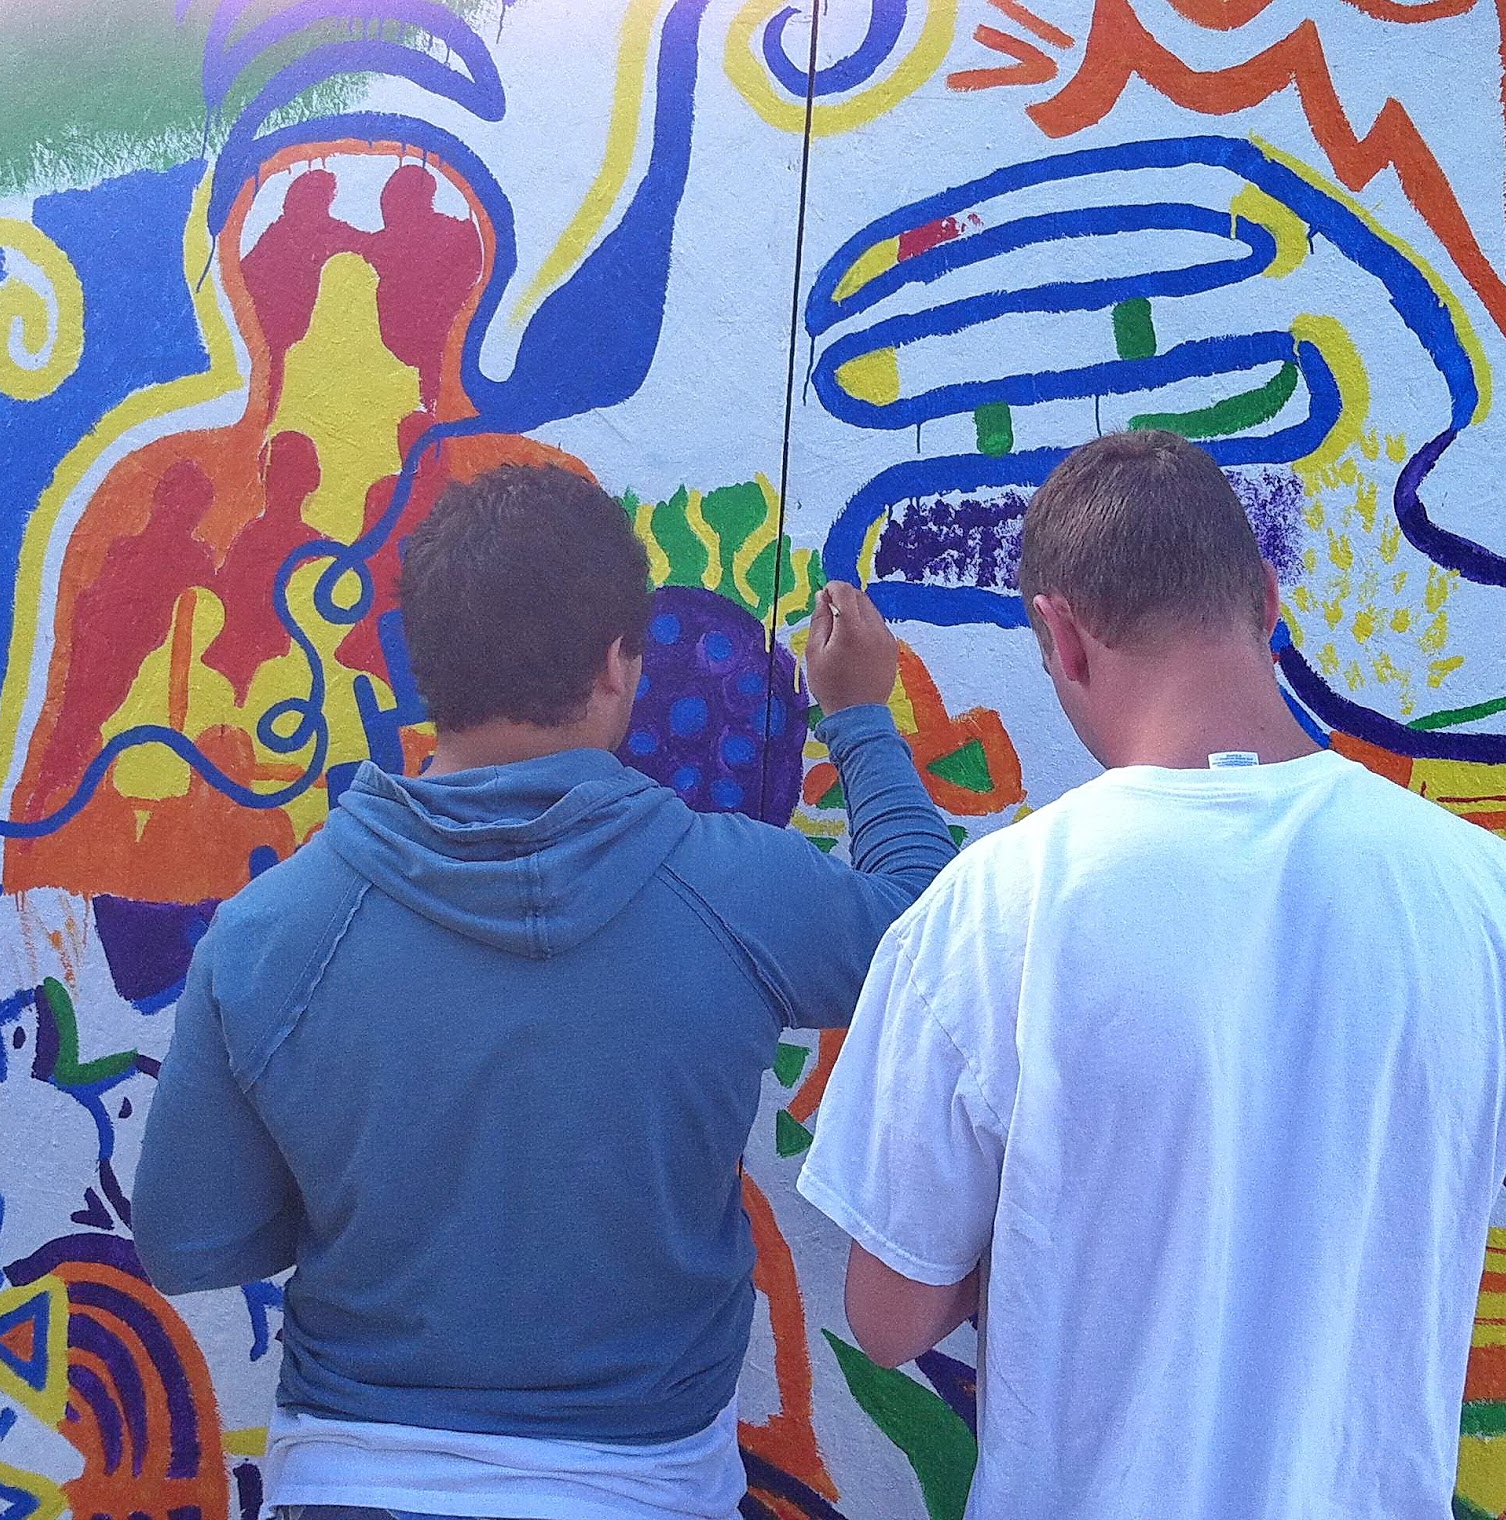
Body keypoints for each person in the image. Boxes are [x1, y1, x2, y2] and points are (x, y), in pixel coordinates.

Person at [132, 462, 956, 1520]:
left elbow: (188, 1238)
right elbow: (930, 927)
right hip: (648, 1486)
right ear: (617, 663)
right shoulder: (736, 890)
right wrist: (859, 717)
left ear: (423, 667)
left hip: (349, 1479)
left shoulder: (269, 934)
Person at [797, 429, 1506, 1518]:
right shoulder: (1499, 904)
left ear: (1060, 636)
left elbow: (890, 1316)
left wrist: (1063, 1239)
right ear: (1266, 598)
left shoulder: (988, 915)